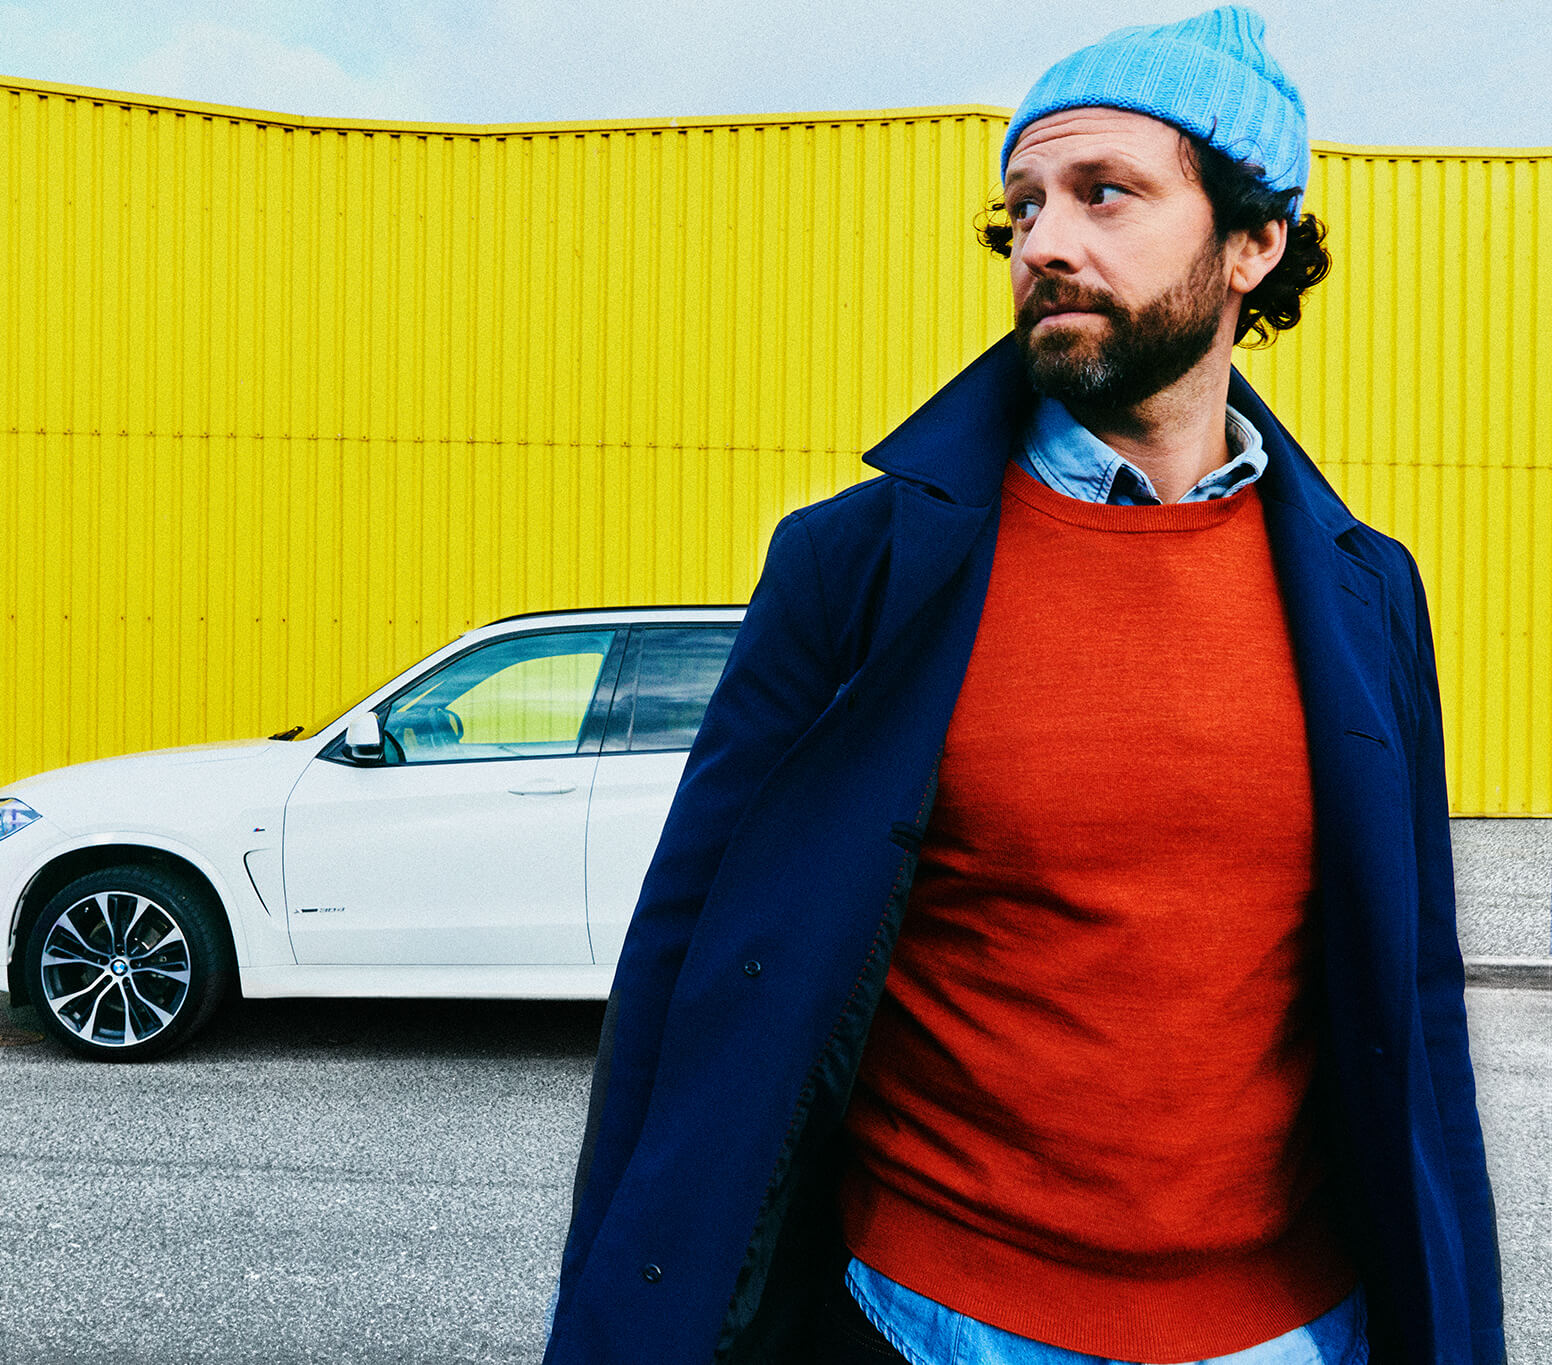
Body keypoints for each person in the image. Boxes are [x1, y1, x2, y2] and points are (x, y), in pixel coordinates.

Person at [540, 8, 1505, 1364]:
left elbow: (1410, 1006)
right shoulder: (857, 567)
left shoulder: (1364, 593)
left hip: (1289, 1333)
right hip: (928, 1325)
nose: (1046, 240)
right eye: (1025, 208)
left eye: (1106, 193)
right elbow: (690, 973)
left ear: (1254, 241)